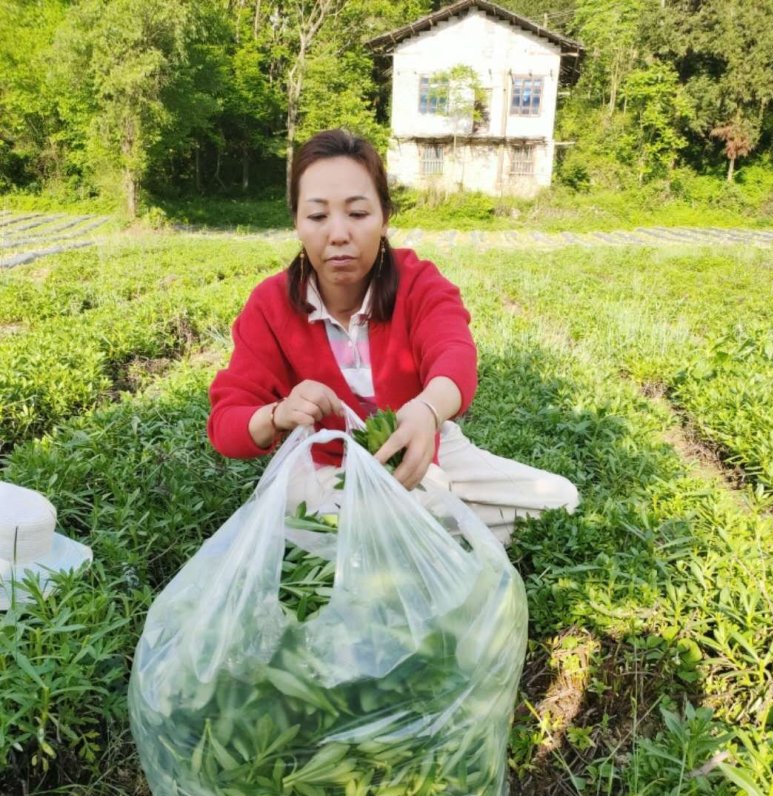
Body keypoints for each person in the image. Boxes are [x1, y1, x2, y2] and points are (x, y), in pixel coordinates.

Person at [207, 128, 579, 543]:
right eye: (317, 216)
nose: (338, 234)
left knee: (558, 501)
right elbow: (226, 425)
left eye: (358, 213)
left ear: (384, 217)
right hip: (331, 469)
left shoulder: (417, 283)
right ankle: (426, 530)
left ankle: (421, 526)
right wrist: (277, 414)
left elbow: (454, 355)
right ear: (296, 222)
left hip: (426, 446)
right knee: (323, 529)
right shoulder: (271, 305)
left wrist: (428, 411)